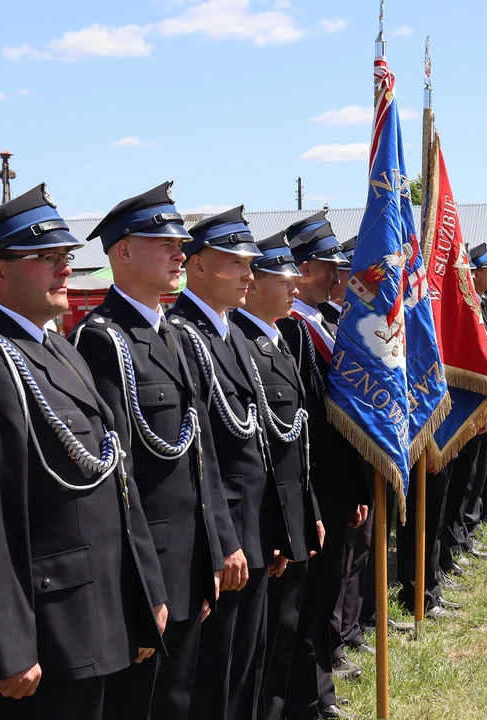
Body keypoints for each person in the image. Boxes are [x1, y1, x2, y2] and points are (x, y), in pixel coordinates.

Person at [0, 186, 168, 720]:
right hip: (47, 629)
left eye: (64, 258)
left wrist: (144, 591)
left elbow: (117, 479)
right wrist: (9, 642)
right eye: (46, 259)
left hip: (97, 607)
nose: (64, 270)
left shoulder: (58, 349)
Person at [70, 182, 226, 720]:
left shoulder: (175, 336)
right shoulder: (102, 339)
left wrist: (213, 548)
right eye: (165, 244)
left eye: (179, 243)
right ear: (124, 251)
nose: (180, 253)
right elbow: (119, 475)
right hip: (148, 566)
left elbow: (199, 457)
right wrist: (141, 586)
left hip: (185, 558)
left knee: (178, 699)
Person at [167, 206, 276, 720]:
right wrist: (222, 543)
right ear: (198, 265)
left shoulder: (230, 334)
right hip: (224, 538)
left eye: (250, 263)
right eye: (235, 262)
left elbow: (258, 447)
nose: (249, 274)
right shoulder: (185, 335)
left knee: (246, 670)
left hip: (251, 530)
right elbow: (200, 454)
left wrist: (273, 526)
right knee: (214, 681)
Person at [276, 211, 368, 720]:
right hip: (317, 484)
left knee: (328, 588)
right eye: (328, 267)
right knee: (309, 601)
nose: (337, 276)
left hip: (338, 482)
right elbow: (307, 424)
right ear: (303, 266)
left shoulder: (328, 323)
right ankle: (311, 698)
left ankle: (321, 687)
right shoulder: (293, 331)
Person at [229, 229, 324, 720]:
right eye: (283, 279)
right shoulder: (240, 343)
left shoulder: (282, 338)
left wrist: (309, 511)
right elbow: (254, 454)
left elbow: (297, 441)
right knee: (259, 652)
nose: (294, 287)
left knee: (286, 633)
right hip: (266, 526)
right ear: (255, 284)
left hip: (292, 517)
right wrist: (273, 532)